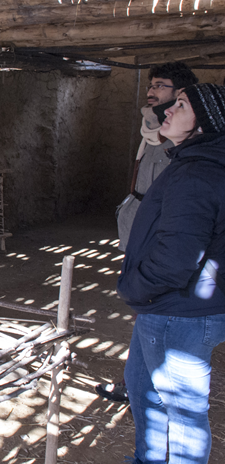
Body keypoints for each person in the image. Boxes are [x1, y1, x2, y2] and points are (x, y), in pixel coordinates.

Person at [117, 83, 225, 464]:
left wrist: (133, 288)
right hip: (172, 308)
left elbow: (177, 259)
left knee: (184, 416)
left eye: (181, 106)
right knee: (140, 385)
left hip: (177, 312)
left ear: (203, 123)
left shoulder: (196, 174)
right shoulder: (196, 163)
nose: (168, 111)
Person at [97, 61, 199, 403]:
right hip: (142, 226)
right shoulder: (153, 131)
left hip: (160, 233)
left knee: (153, 309)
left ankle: (149, 387)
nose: (151, 91)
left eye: (160, 86)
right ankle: (136, 383)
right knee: (144, 313)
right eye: (151, 84)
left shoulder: (188, 145)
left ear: (181, 94)